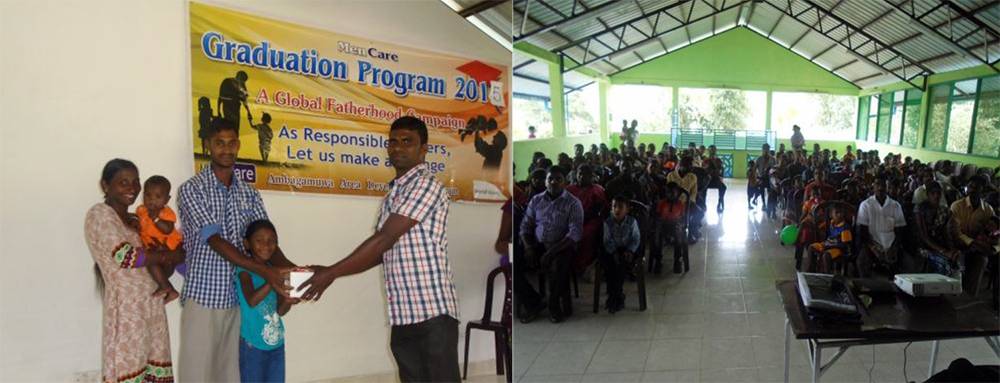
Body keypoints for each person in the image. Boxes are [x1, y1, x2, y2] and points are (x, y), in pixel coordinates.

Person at [297, 116, 461, 382]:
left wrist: (332, 273)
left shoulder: (426, 184)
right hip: (403, 313)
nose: (398, 147)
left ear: (423, 149)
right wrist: (329, 271)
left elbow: (383, 240)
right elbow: (382, 251)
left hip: (432, 313)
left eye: (407, 141)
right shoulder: (393, 193)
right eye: (393, 141)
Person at [178, 118, 298, 382]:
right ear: (207, 145)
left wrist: (293, 273)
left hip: (243, 302)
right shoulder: (192, 190)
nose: (226, 149)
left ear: (239, 145)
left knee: (232, 375)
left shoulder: (250, 194)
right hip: (205, 295)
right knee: (197, 373)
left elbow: (268, 241)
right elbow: (215, 240)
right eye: (219, 143)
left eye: (232, 143)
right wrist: (268, 274)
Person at [85, 159, 184, 382]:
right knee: (127, 371)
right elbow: (126, 257)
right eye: (123, 182)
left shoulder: (136, 221)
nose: (132, 188)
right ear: (105, 186)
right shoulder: (100, 215)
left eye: (136, 182)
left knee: (154, 372)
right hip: (127, 311)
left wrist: (169, 260)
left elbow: (152, 266)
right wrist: (171, 255)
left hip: (152, 307)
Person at [516, 165, 584, 324]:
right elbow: (525, 226)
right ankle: (533, 302)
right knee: (512, 264)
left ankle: (554, 305)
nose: (554, 182)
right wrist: (528, 247)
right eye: (550, 179)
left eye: (558, 179)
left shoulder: (573, 203)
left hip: (562, 247)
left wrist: (551, 252)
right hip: (537, 245)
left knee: (558, 266)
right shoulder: (536, 200)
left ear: (565, 182)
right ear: (545, 182)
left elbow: (575, 233)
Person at [236, 220, 297, 383]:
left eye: (272, 240)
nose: (266, 245)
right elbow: (251, 300)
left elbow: (281, 311)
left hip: (276, 343)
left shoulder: (274, 269)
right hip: (252, 345)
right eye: (259, 240)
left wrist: (289, 299)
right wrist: (272, 279)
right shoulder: (244, 271)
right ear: (246, 244)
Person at [950, 175, 999, 296]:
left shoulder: (988, 210)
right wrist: (972, 243)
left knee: (982, 260)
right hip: (957, 244)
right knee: (959, 259)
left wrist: (995, 248)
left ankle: (970, 296)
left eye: (976, 188)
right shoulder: (957, 206)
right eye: (970, 186)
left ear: (984, 190)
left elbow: (995, 232)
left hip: (978, 248)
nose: (971, 190)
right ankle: (955, 293)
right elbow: (956, 232)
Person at [857, 176, 908, 277]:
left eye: (883, 185)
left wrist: (894, 248)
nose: (880, 188)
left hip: (891, 245)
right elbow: (863, 231)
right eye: (877, 185)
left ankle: (898, 290)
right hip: (872, 245)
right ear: (873, 187)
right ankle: (867, 290)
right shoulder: (866, 205)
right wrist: (874, 249)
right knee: (861, 263)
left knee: (910, 264)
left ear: (887, 187)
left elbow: (899, 231)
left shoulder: (895, 205)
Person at [136, 175, 186, 279]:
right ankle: (161, 284)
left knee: (169, 263)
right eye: (147, 195)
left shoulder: (166, 213)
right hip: (151, 247)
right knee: (150, 264)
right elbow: (138, 223)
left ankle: (165, 280)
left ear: (167, 200)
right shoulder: (141, 210)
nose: (151, 200)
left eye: (157, 197)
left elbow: (167, 230)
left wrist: (156, 218)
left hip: (169, 246)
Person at [602, 194, 641, 314]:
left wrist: (630, 251)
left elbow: (636, 239)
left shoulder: (631, 222)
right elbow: (607, 241)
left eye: (620, 207)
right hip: (612, 250)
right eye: (614, 207)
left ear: (627, 209)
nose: (617, 210)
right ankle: (618, 297)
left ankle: (613, 298)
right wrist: (613, 252)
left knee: (622, 266)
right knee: (610, 267)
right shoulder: (608, 223)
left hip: (628, 249)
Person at [915, 182, 962, 279]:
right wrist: (943, 252)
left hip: (938, 244)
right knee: (944, 263)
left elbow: (945, 233)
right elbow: (924, 236)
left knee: (956, 262)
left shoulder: (944, 210)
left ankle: (952, 290)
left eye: (938, 193)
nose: (936, 195)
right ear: (928, 195)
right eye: (933, 193)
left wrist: (952, 249)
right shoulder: (920, 209)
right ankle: (938, 289)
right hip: (922, 246)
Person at [566, 165, 607, 274]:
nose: (582, 177)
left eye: (586, 175)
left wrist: (583, 218)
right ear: (576, 175)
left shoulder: (596, 189)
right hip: (571, 219)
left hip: (589, 219)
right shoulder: (569, 189)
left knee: (586, 235)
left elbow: (599, 209)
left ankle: (581, 266)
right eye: (580, 174)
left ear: (591, 176)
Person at [804, 205, 852, 273]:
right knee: (811, 247)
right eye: (836, 212)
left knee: (826, 255)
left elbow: (845, 245)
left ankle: (827, 276)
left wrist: (829, 247)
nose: (839, 215)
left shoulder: (844, 228)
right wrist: (827, 245)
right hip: (828, 244)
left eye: (841, 212)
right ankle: (810, 270)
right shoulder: (831, 223)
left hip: (839, 249)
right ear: (831, 215)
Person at [655, 183, 689, 274]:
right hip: (663, 224)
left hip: (675, 225)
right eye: (667, 192)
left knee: (678, 239)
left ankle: (677, 260)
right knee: (657, 239)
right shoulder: (662, 203)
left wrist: (680, 225)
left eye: (672, 193)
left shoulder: (681, 204)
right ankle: (658, 261)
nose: (669, 195)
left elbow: (682, 218)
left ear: (677, 193)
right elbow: (658, 216)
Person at [705, 145, 726, 212]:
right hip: (707, 178)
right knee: (701, 187)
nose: (712, 151)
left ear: (716, 151)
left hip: (715, 178)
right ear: (708, 151)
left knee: (723, 187)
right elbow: (703, 169)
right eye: (711, 150)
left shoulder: (718, 160)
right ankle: (702, 204)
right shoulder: (706, 160)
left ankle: (719, 203)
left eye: (713, 150)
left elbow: (720, 168)